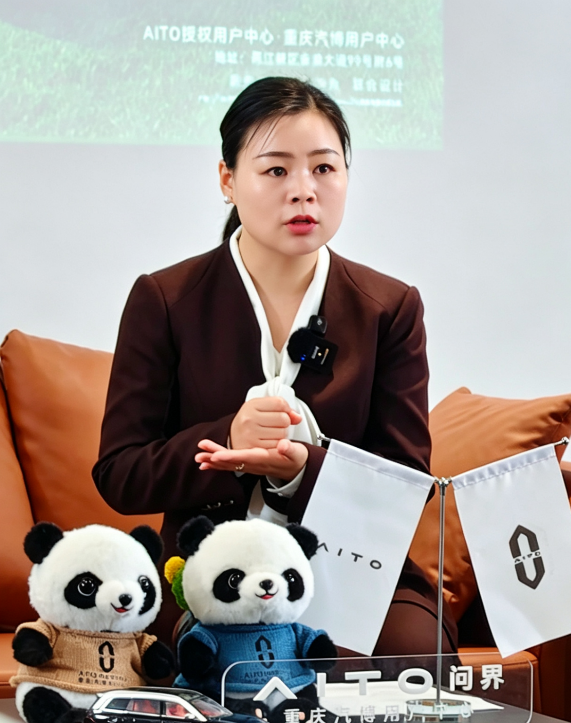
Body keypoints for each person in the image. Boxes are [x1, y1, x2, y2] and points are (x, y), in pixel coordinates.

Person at [93, 77, 454, 654]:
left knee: (413, 652)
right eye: (277, 170)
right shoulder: (165, 299)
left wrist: (303, 468)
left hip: (353, 565)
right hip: (212, 571)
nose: (304, 191)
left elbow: (406, 484)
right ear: (227, 180)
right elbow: (120, 474)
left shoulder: (389, 307)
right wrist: (227, 441)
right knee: (228, 659)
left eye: (324, 168)